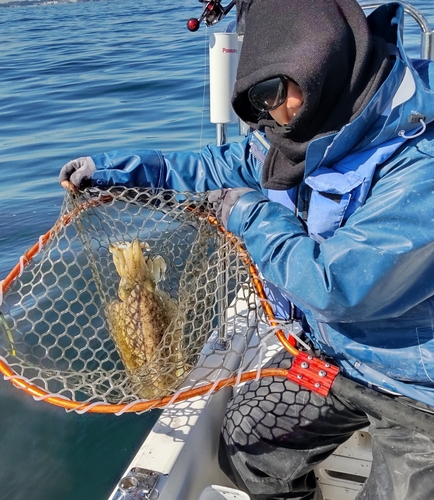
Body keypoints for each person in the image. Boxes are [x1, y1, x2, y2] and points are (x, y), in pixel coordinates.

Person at [59, 0, 434, 498]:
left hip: (416, 393)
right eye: (253, 101)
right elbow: (218, 167)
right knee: (246, 446)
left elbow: (337, 287)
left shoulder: (419, 162)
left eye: (271, 92)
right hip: (332, 360)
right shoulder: (304, 127)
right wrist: (115, 172)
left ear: (317, 63)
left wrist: (245, 212)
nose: (265, 117)